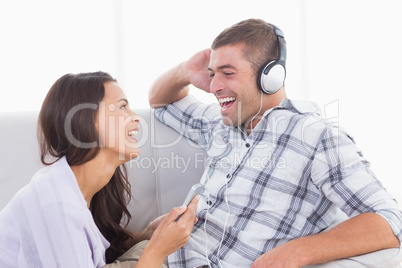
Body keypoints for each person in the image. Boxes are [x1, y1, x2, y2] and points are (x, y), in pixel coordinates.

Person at [148, 18, 402, 267]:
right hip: (161, 256)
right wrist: (186, 72)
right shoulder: (221, 122)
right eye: (213, 74)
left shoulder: (316, 137)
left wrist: (301, 251)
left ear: (270, 76)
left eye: (227, 73)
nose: (214, 86)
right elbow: (160, 102)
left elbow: (391, 221)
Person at [0, 71, 199, 268]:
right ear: (85, 120)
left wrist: (145, 235)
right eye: (123, 106)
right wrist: (159, 249)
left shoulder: (82, 193)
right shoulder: (56, 206)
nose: (136, 118)